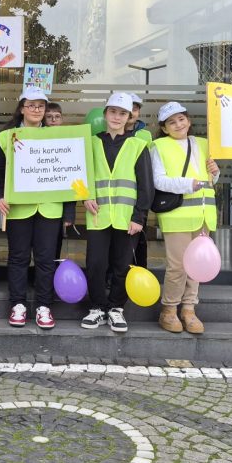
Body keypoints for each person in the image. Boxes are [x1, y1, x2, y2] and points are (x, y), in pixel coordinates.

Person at [81, 93, 153, 333]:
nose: (117, 117)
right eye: (113, 112)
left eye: (122, 113)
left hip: (126, 217)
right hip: (98, 215)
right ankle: (97, 308)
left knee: (122, 264)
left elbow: (146, 185)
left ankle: (116, 308)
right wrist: (85, 195)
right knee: (95, 263)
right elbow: (78, 174)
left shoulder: (137, 145)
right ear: (105, 114)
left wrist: (139, 216)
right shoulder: (91, 142)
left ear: (129, 116)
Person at [0, 86, 62, 329]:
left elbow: (67, 174)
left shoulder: (57, 137)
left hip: (49, 207)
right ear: (22, 108)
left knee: (45, 260)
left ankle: (44, 306)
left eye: (41, 106)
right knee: (18, 258)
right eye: (31, 105)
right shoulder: (7, 136)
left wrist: (67, 212)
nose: (36, 110)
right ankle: (18, 305)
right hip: (19, 207)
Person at [151, 101, 218, 334]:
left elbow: (210, 179)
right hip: (177, 215)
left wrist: (216, 173)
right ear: (164, 128)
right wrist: (187, 184)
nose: (178, 124)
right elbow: (158, 180)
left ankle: (189, 309)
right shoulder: (158, 146)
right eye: (172, 121)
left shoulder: (205, 144)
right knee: (177, 267)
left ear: (188, 121)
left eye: (181, 119)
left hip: (203, 213)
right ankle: (168, 310)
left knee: (196, 267)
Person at [44, 102, 76, 261]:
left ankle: (53, 275)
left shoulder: (69, 142)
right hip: (40, 203)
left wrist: (69, 214)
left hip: (59, 204)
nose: (53, 120)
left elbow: (73, 178)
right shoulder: (36, 139)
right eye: (49, 117)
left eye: (57, 117)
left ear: (62, 119)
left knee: (56, 244)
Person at [125, 94, 152, 269]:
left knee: (138, 237)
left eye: (134, 109)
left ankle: (138, 273)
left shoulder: (145, 135)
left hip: (140, 193)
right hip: (120, 195)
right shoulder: (105, 133)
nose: (131, 112)